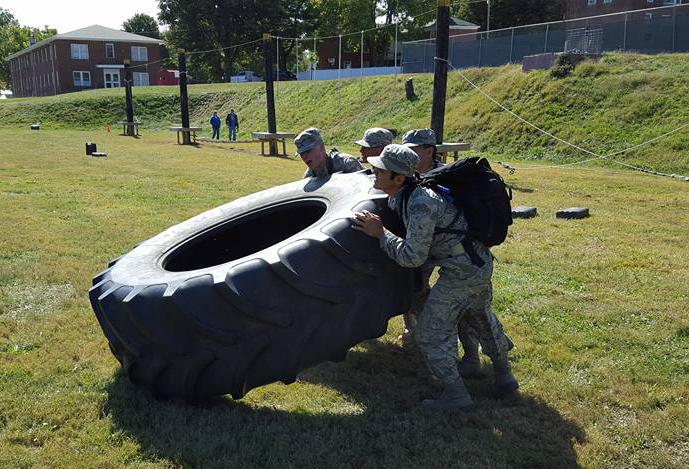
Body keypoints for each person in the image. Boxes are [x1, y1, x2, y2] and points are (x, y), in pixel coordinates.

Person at [352, 144, 518, 411]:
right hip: (474, 265)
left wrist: (381, 234)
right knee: (479, 317)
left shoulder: (421, 203)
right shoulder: (403, 194)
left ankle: (457, 396)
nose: (374, 173)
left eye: (380, 170)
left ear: (398, 177)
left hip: (463, 272)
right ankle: (504, 378)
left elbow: (412, 256)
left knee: (430, 333)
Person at [402, 128, 513, 379]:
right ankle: (489, 365)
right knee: (469, 310)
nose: (407, 154)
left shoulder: (443, 180)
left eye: (412, 150)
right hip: (453, 258)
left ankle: (467, 362)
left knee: (456, 312)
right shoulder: (418, 177)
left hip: (457, 260)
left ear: (429, 151)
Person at [294, 127, 363, 178]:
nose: (304, 157)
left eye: (308, 151)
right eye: (301, 153)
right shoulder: (308, 178)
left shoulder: (346, 164)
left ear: (321, 147)